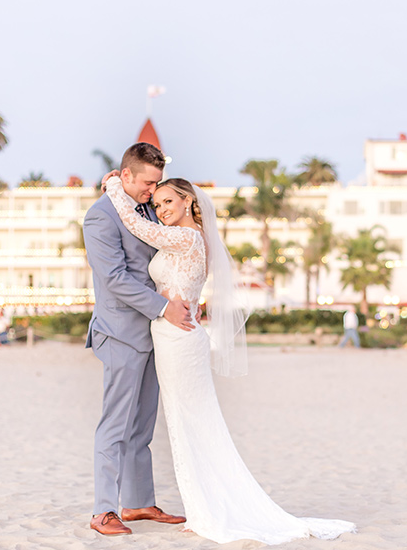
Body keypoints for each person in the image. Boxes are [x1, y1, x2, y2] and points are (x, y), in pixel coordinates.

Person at [101, 170, 356, 545]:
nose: (161, 209)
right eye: (157, 204)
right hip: (177, 336)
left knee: (192, 424)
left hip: (178, 340)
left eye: (168, 201)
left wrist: (112, 187)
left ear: (189, 201)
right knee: (187, 423)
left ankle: (208, 510)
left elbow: (135, 224)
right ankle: (204, 505)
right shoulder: (192, 239)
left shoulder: (186, 237)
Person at [82, 143, 193, 536]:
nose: (153, 190)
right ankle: (103, 511)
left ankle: (138, 502)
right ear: (125, 175)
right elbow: (114, 279)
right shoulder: (100, 218)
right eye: (148, 182)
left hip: (154, 334)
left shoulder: (144, 208)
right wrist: (164, 308)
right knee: (115, 424)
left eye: (157, 182)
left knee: (142, 425)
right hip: (121, 333)